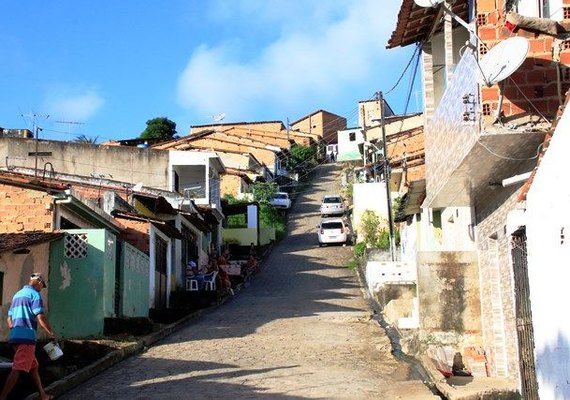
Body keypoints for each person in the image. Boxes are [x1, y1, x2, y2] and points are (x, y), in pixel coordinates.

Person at [0, 273, 57, 400]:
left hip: (15, 337)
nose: (42, 288)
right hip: (27, 338)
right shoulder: (35, 295)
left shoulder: (17, 295)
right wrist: (51, 333)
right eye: (42, 285)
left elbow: (9, 319)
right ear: (39, 282)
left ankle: (42, 395)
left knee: (34, 367)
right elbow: (40, 317)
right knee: (17, 368)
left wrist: (16, 330)